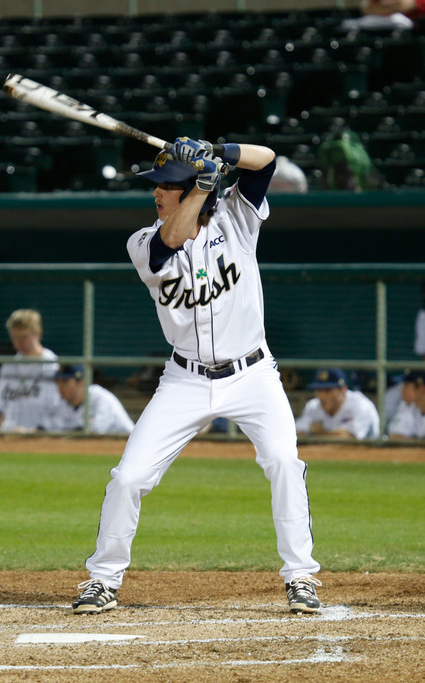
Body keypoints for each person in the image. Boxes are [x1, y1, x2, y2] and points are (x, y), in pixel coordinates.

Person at [71, 138, 321, 615]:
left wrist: (219, 150)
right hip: (185, 380)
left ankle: (302, 578)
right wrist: (203, 181)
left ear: (188, 188)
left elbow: (266, 158)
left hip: (253, 374)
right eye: (158, 187)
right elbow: (173, 238)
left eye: (166, 186)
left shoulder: (237, 216)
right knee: (129, 478)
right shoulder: (143, 243)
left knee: (283, 463)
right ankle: (102, 579)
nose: (156, 194)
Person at [0, 309, 60, 433]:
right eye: (14, 338)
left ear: (37, 334)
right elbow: (2, 409)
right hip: (10, 433)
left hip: (40, 434)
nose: (18, 343)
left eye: (23, 337)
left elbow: (57, 408)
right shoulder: (8, 366)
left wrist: (36, 430)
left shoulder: (51, 364)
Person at [47, 364, 134, 435]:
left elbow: (96, 431)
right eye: (58, 381)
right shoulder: (63, 403)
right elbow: (49, 427)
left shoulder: (100, 397)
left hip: (128, 446)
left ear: (81, 382)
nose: (60, 386)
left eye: (65, 382)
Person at [295, 368, 381, 440]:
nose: (321, 396)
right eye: (319, 390)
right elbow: (296, 432)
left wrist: (320, 432)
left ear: (343, 390)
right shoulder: (313, 406)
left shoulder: (360, 404)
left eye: (327, 390)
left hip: (366, 455)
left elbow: (350, 438)